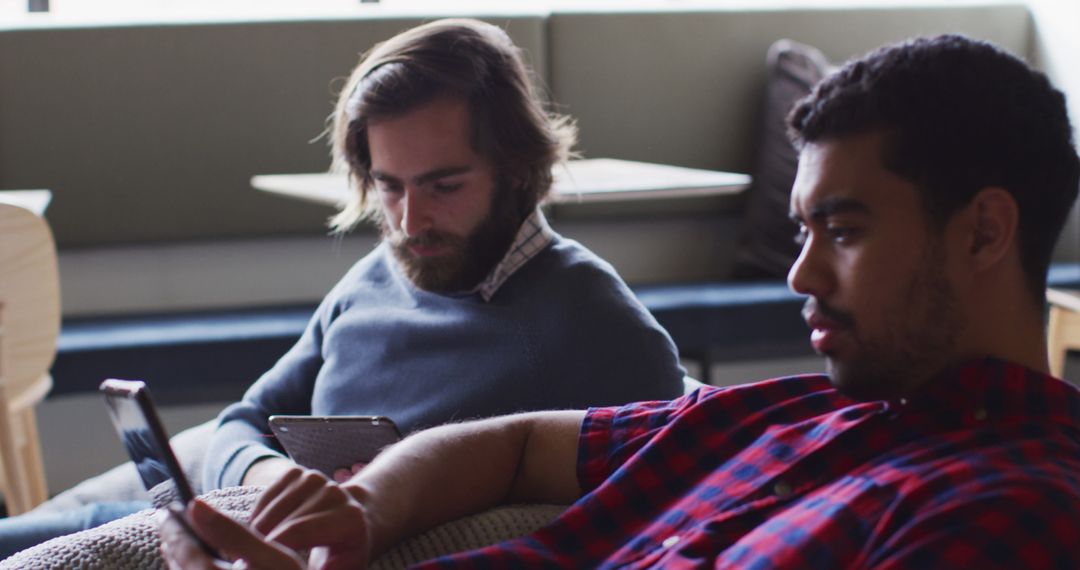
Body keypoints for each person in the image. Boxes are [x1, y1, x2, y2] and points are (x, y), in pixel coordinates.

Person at [162, 33, 1080, 569]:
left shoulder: (1012, 510)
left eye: (841, 232)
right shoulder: (779, 410)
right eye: (801, 235)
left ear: (983, 232)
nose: (798, 277)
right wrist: (359, 513)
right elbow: (518, 442)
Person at [0, 19, 686, 559]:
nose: (411, 221)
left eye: (444, 186)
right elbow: (244, 420)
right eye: (389, 187)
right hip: (242, 511)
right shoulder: (378, 276)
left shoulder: (591, 321)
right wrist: (276, 483)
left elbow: (666, 498)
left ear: (514, 169)